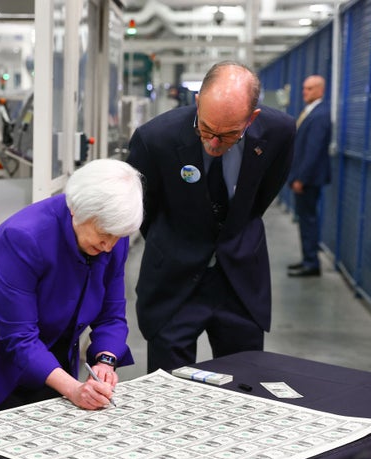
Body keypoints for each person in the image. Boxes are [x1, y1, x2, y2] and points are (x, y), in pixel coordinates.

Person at [0, 159, 144, 422]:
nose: (110, 246)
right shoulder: (24, 237)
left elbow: (111, 315)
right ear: (77, 211)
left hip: (46, 350)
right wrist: (74, 389)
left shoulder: (111, 236)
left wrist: (105, 361)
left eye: (117, 237)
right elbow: (19, 337)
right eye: (104, 234)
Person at [126, 61, 295, 373]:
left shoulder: (279, 132)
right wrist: (178, 242)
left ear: (252, 118)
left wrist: (231, 234)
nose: (214, 143)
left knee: (243, 387)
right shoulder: (155, 139)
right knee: (169, 391)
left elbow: (260, 198)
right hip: (174, 280)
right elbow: (143, 211)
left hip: (239, 278)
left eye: (229, 134)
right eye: (206, 129)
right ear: (197, 102)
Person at [287, 75, 332, 277]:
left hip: (308, 179)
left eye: (310, 88)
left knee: (308, 220)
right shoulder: (311, 112)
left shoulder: (320, 115)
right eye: (305, 88)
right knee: (305, 219)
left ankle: (311, 263)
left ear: (321, 90)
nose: (306, 92)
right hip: (306, 177)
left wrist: (301, 178)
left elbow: (313, 151)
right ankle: (308, 259)